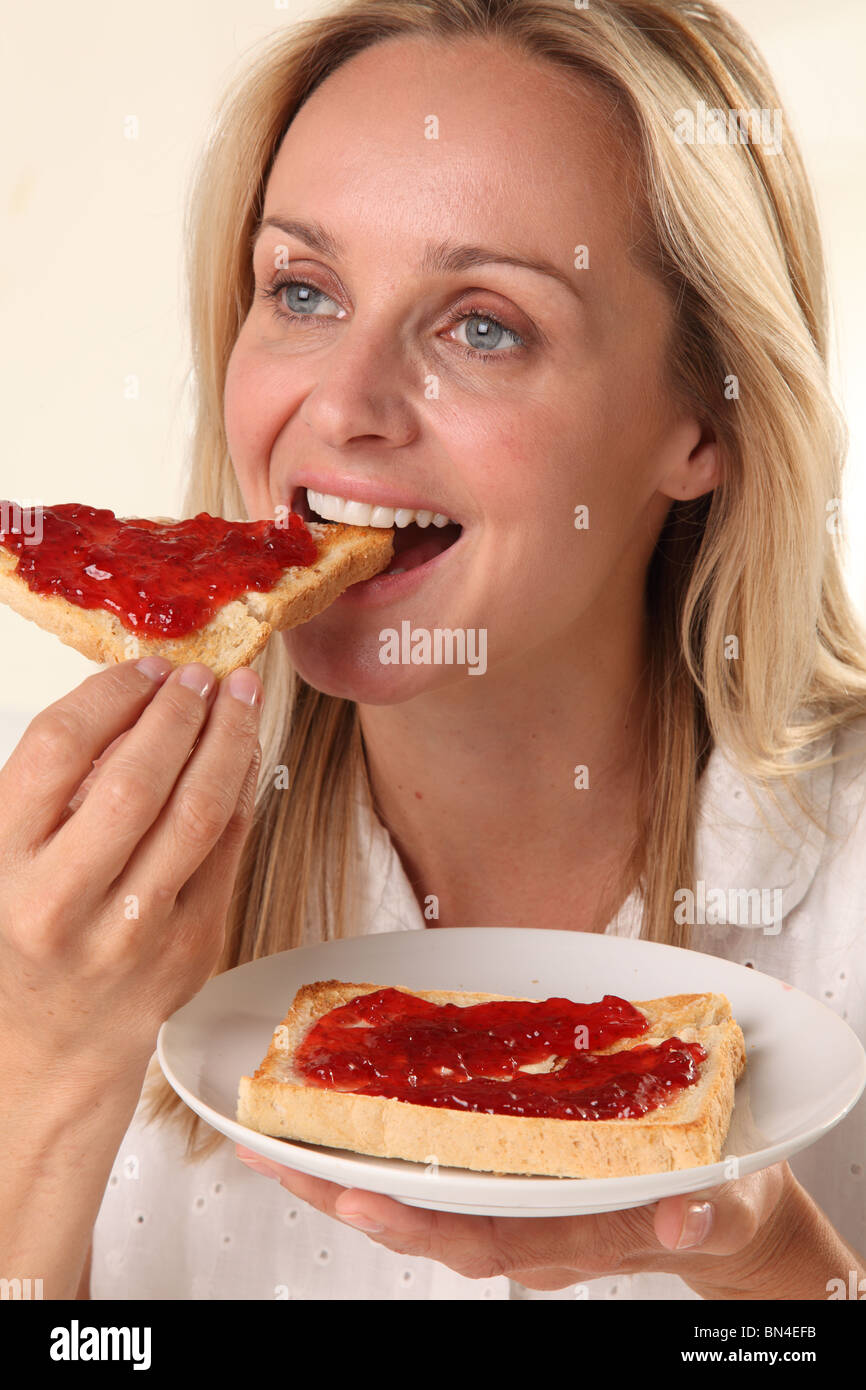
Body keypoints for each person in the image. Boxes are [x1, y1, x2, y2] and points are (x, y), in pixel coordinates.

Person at [2, 0, 865, 1301]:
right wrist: (45, 1079)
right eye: (302, 290)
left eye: (481, 324)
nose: (341, 408)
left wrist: (768, 1263)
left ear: (703, 420)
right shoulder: (67, 903)